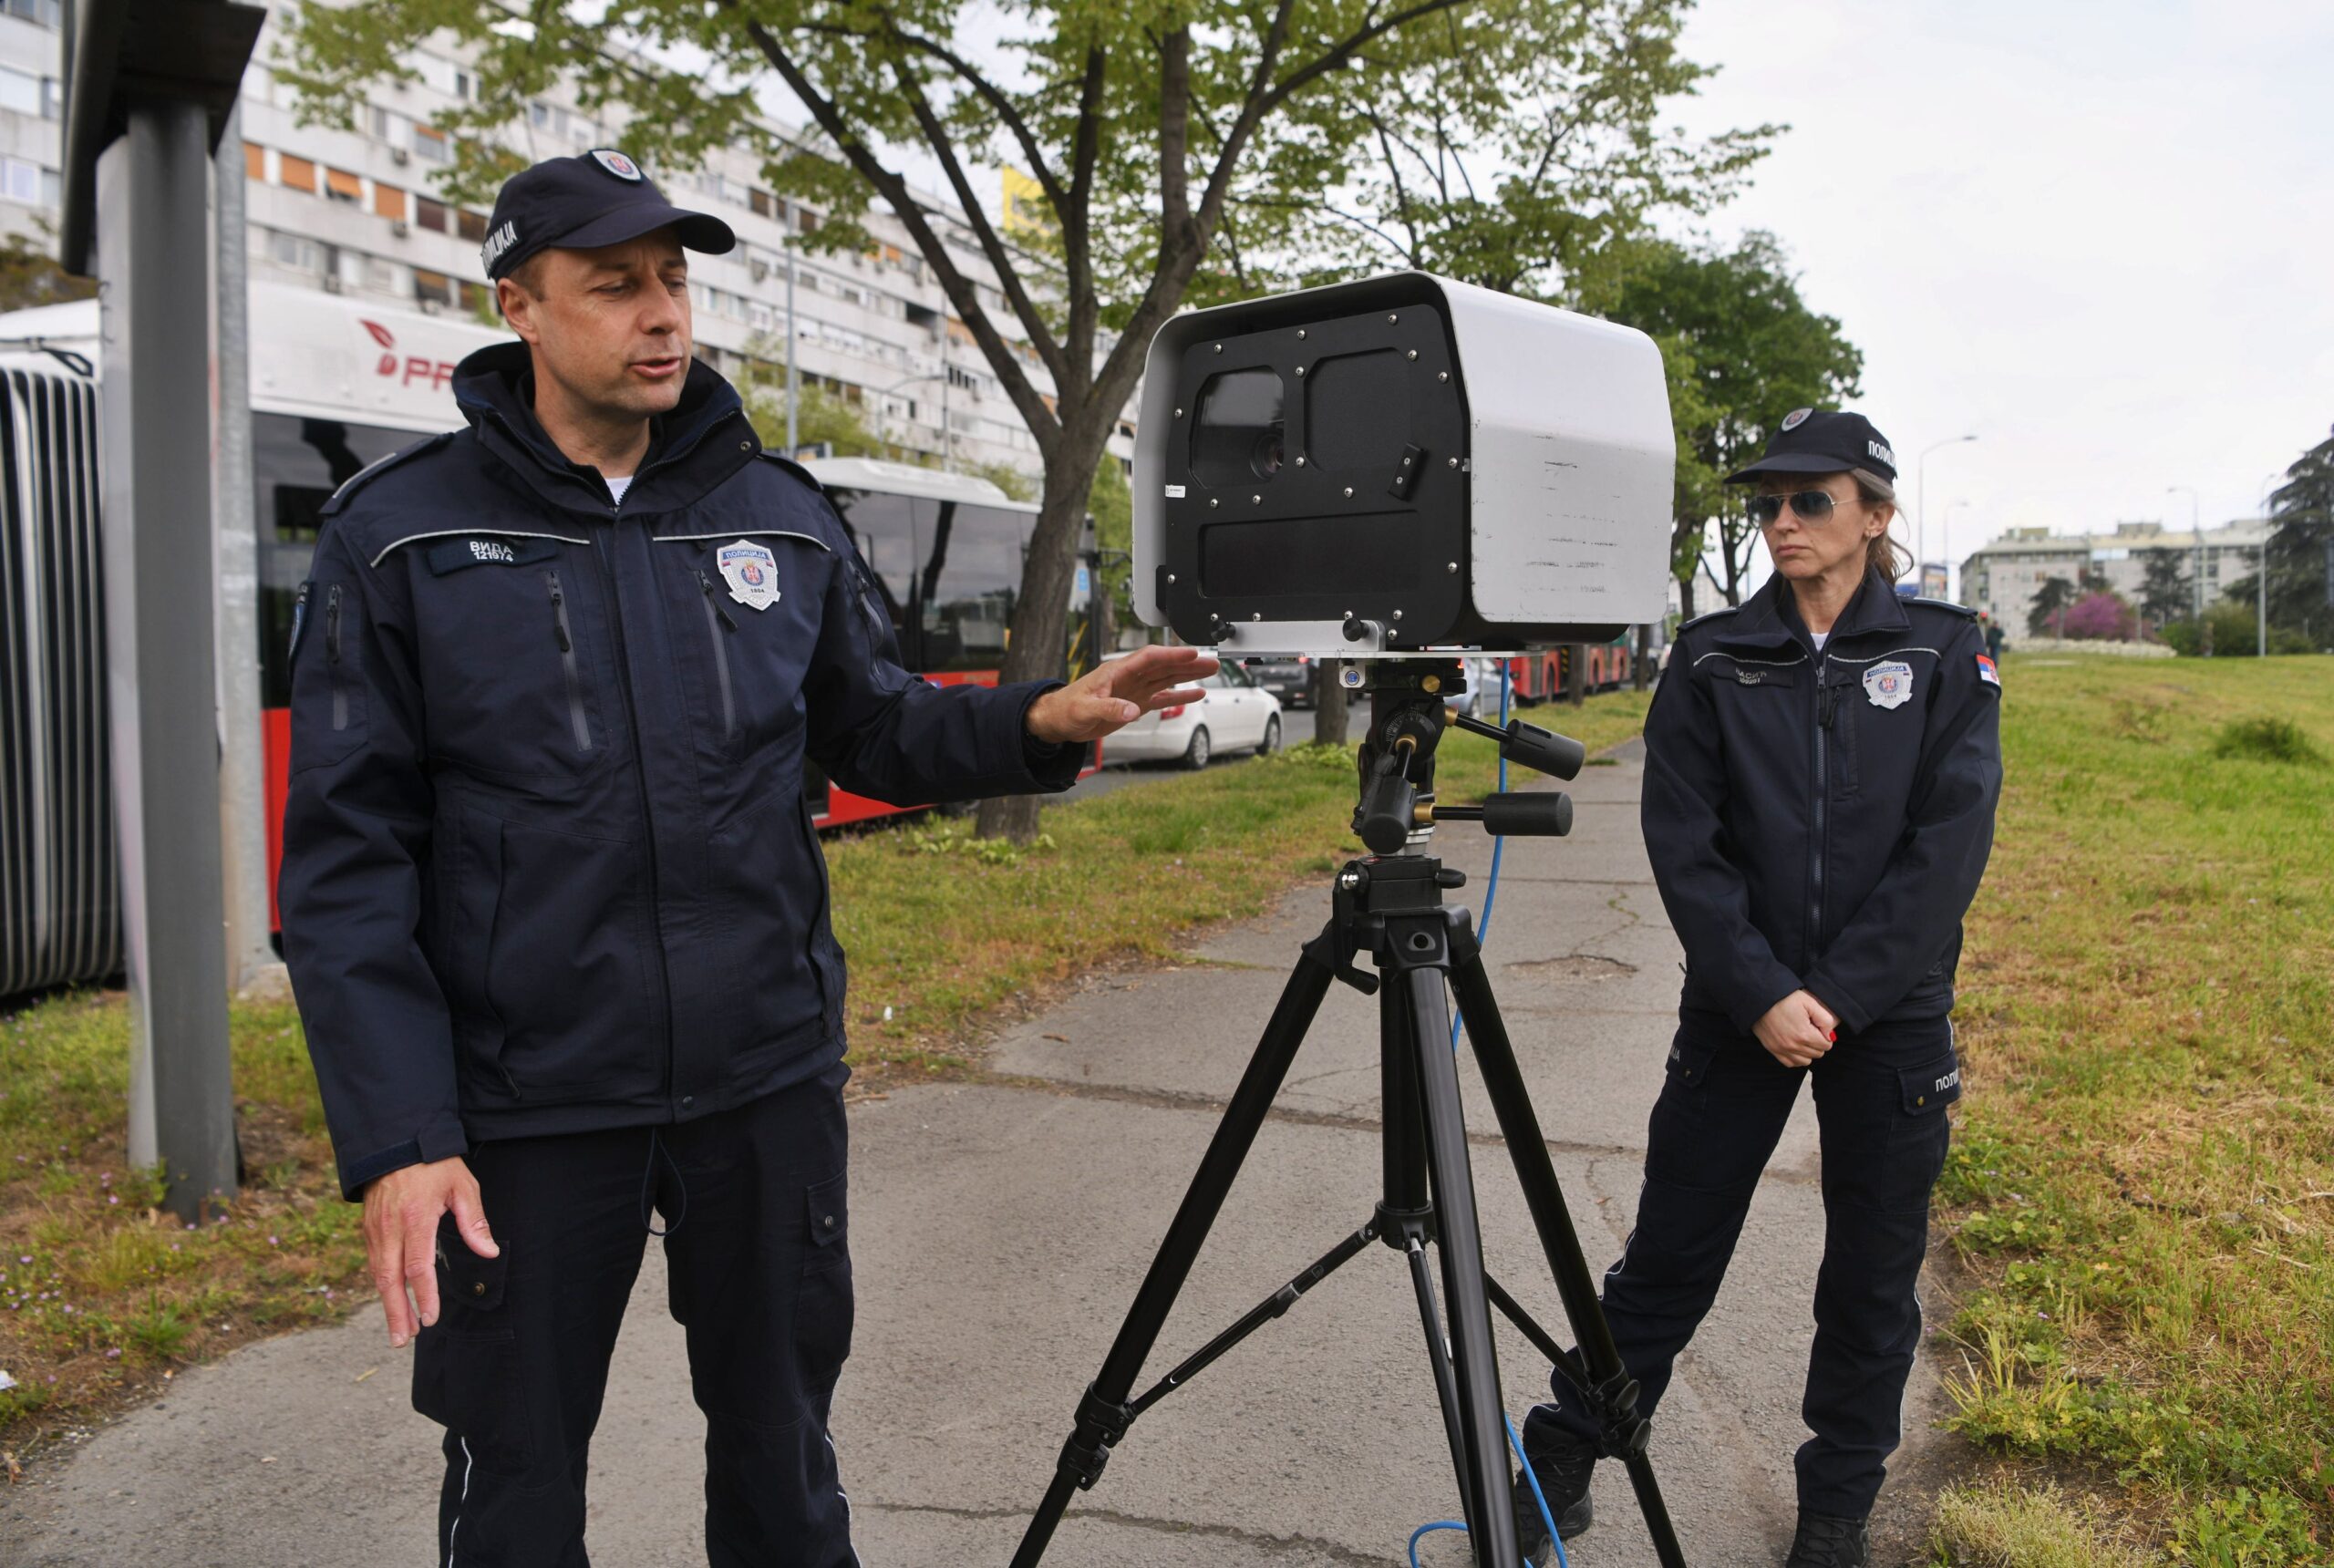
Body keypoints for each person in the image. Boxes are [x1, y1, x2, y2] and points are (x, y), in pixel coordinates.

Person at [277, 150, 1213, 1567]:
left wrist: (1041, 721)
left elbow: (878, 733)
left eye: (675, 281)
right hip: (530, 1106)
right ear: (523, 305)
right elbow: (347, 871)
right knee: (515, 1482)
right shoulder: (399, 533)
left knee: (785, 1460)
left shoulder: (776, 512)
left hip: (764, 1081)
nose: (663, 316)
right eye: (616, 286)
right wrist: (405, 1142)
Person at [1510, 410, 2002, 1567]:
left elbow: (1951, 841)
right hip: (1740, 1012)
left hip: (1888, 1022)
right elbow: (1684, 839)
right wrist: (1760, 991)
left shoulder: (1941, 650)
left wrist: (1838, 995)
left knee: (1870, 1279)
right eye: (1767, 504)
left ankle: (1834, 1510)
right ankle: (1563, 1454)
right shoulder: (1714, 655)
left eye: (1810, 501)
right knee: (1668, 1256)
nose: (1781, 521)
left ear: (1875, 516)